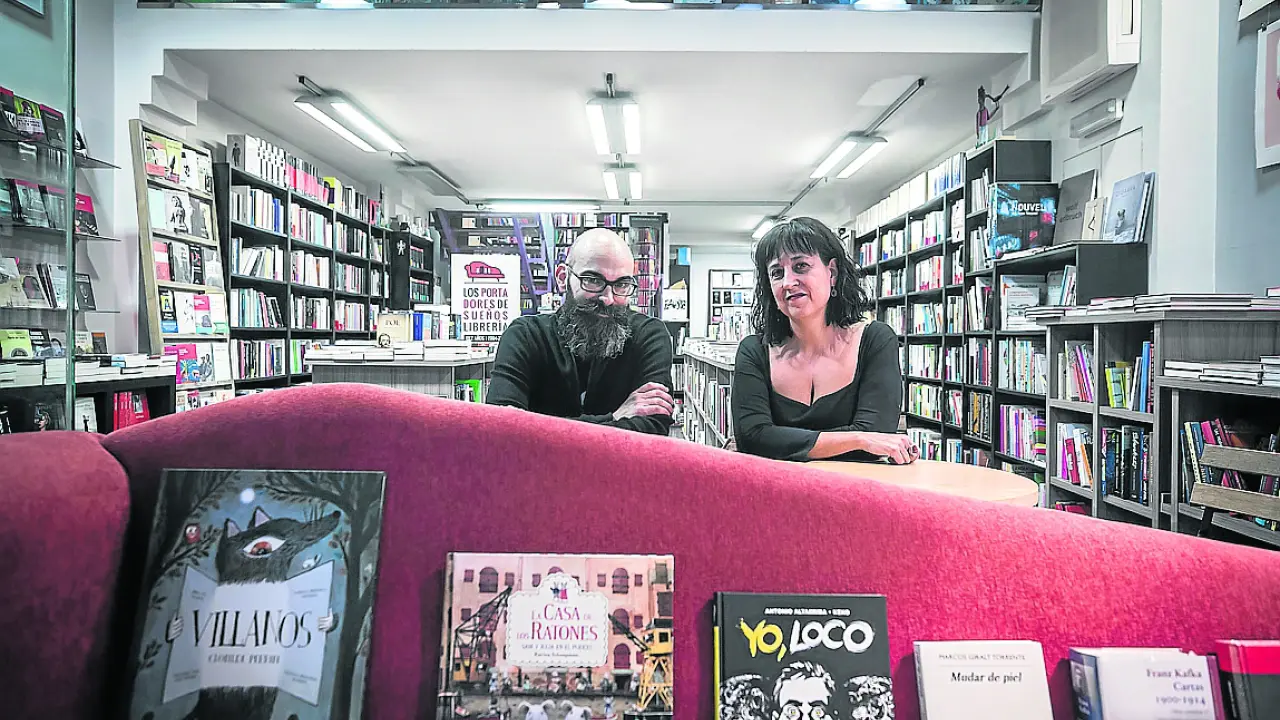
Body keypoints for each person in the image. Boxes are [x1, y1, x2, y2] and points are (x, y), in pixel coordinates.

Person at [731, 217, 916, 464]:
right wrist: (858, 439)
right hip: (776, 487)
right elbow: (752, 438)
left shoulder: (875, 340)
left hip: (851, 486)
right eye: (777, 273)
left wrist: (781, 441)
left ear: (832, 273)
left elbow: (878, 434)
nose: (788, 282)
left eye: (801, 266)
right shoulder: (754, 350)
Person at [486, 228, 675, 435]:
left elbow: (654, 430)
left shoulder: (649, 336)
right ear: (562, 278)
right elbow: (501, 431)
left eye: (621, 284)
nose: (608, 298)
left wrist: (538, 429)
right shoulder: (525, 336)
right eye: (593, 280)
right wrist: (613, 418)